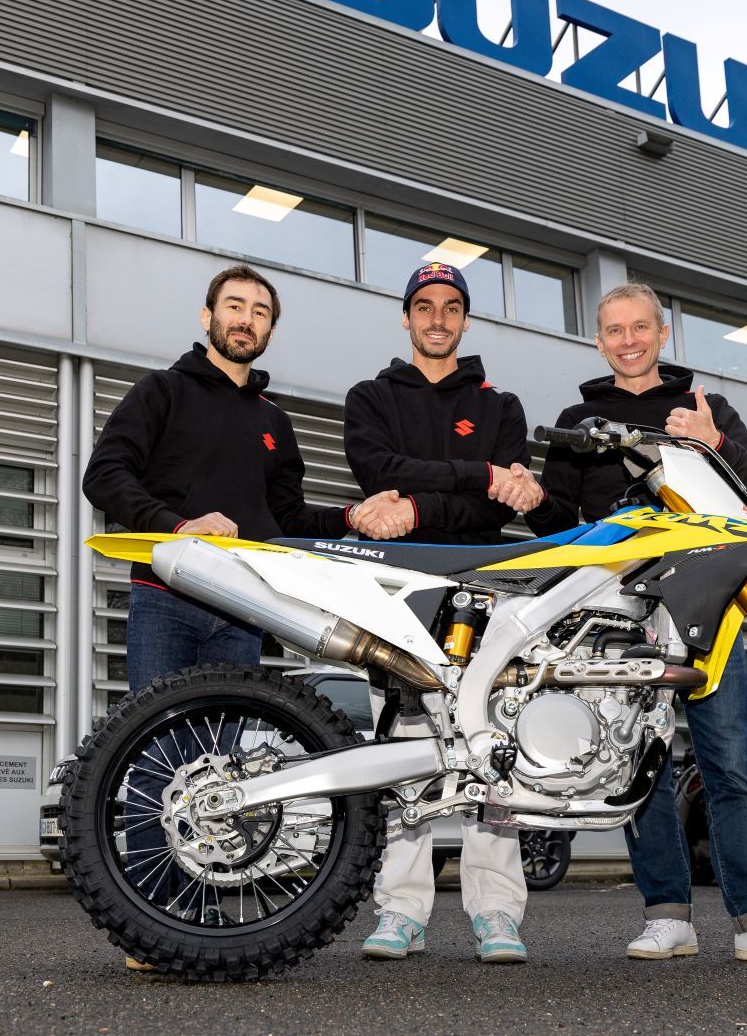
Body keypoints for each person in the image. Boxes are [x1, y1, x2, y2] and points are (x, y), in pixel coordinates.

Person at [82, 263, 406, 970]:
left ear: (269, 330)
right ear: (208, 317)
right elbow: (103, 477)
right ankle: (150, 925)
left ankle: (194, 917)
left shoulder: (273, 422)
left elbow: (284, 518)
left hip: (241, 613)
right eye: (234, 305)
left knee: (216, 776)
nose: (246, 318)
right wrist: (179, 525)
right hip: (167, 601)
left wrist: (350, 517)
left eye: (260, 311)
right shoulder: (161, 391)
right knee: (154, 759)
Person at [523, 281, 747, 967]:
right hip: (617, 611)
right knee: (639, 765)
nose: (628, 340)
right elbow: (559, 525)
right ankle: (667, 914)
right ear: (599, 341)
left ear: (662, 334)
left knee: (729, 765)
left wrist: (714, 441)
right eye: (615, 330)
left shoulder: (703, 404)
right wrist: (532, 498)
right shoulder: (578, 418)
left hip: (706, 601)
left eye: (640, 327)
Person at [342, 260, 546, 965]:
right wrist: (477, 477)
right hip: (400, 589)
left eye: (450, 307)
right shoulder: (370, 397)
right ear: (406, 317)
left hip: (487, 585)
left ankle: (497, 911)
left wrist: (421, 501)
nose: (437, 318)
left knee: (494, 738)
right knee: (404, 741)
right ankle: (401, 909)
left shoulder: (501, 406)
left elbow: (494, 510)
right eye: (424, 305)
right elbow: (378, 476)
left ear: (465, 319)